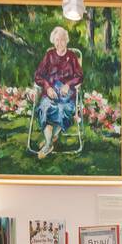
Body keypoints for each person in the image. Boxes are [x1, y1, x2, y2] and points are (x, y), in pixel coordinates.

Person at [33, 26, 83, 159]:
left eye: (62, 40)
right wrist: (47, 87)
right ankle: (49, 142)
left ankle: (50, 140)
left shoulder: (72, 57)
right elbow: (38, 75)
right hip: (50, 94)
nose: (59, 43)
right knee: (44, 107)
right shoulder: (49, 56)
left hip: (66, 97)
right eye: (56, 40)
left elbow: (79, 76)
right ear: (53, 41)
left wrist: (68, 84)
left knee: (62, 110)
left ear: (66, 41)